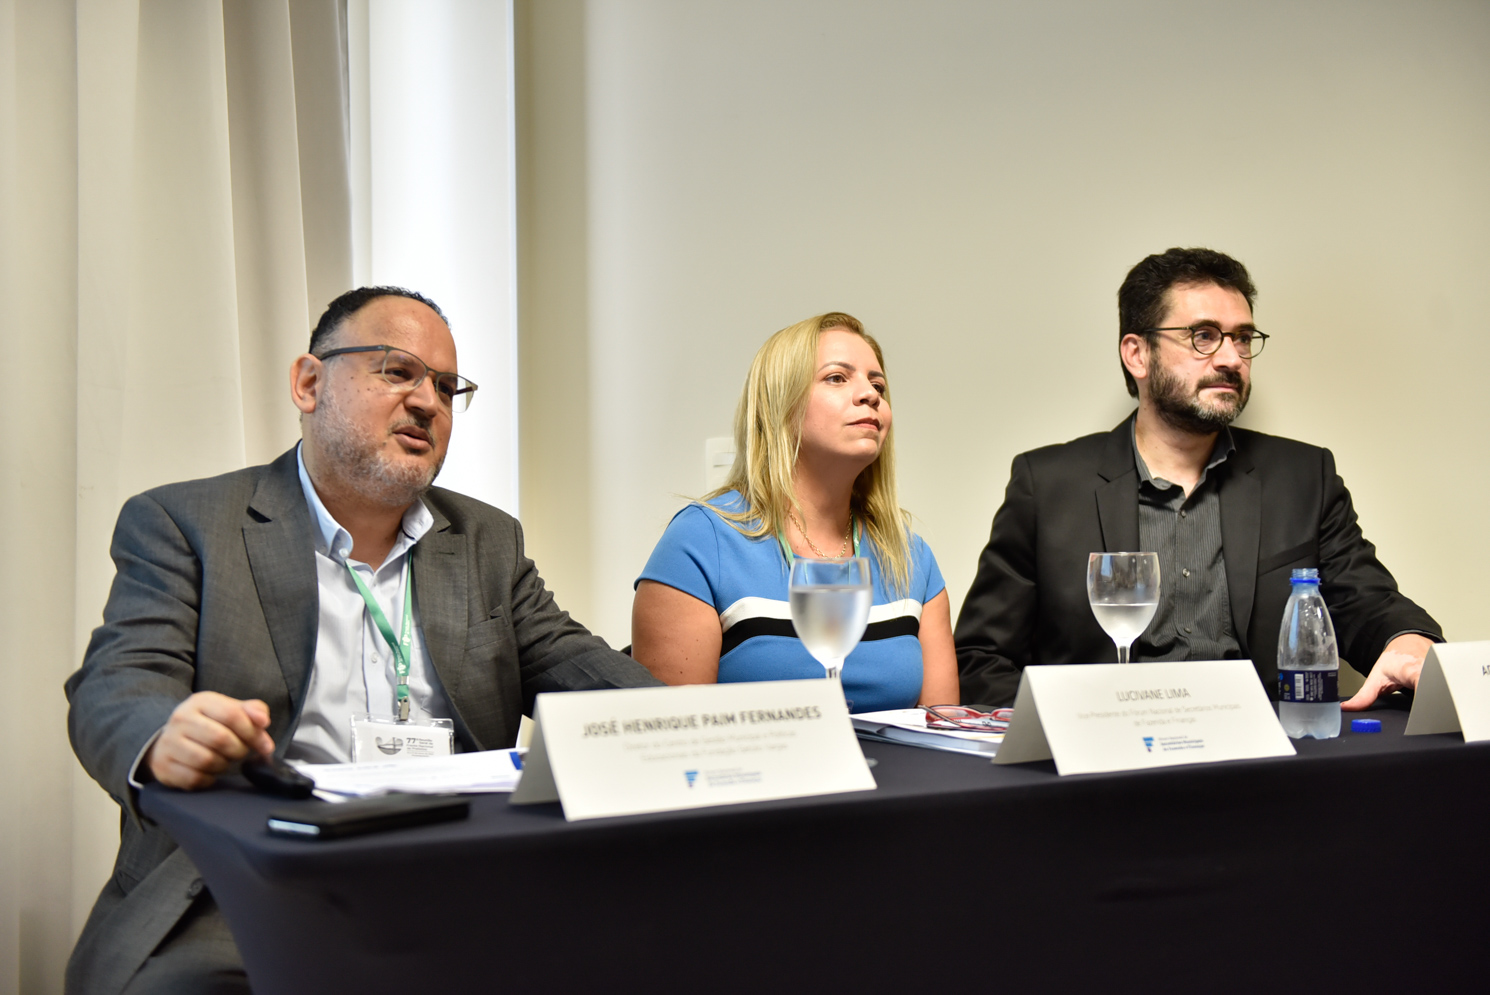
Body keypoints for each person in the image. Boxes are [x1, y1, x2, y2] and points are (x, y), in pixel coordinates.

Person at [64, 287, 661, 994]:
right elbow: (117, 683)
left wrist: (710, 724)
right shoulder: (188, 523)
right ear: (309, 383)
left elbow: (578, 665)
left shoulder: (486, 541)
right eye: (397, 371)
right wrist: (165, 735)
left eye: (447, 387)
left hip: (458, 874)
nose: (428, 401)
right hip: (249, 880)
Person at [955, 248, 1442, 707]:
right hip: (1105, 751)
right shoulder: (1048, 487)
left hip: (1264, 750)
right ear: (1137, 354)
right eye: (1203, 336)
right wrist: (1069, 726)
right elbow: (981, 659)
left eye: (1242, 338)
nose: (1230, 358)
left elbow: (1366, 600)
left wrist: (1409, 646)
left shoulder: (1303, 478)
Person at [631, 312, 958, 712]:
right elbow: (676, 734)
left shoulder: (911, 556)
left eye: (878, 385)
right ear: (780, 405)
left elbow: (941, 731)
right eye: (837, 378)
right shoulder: (701, 541)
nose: (870, 395)